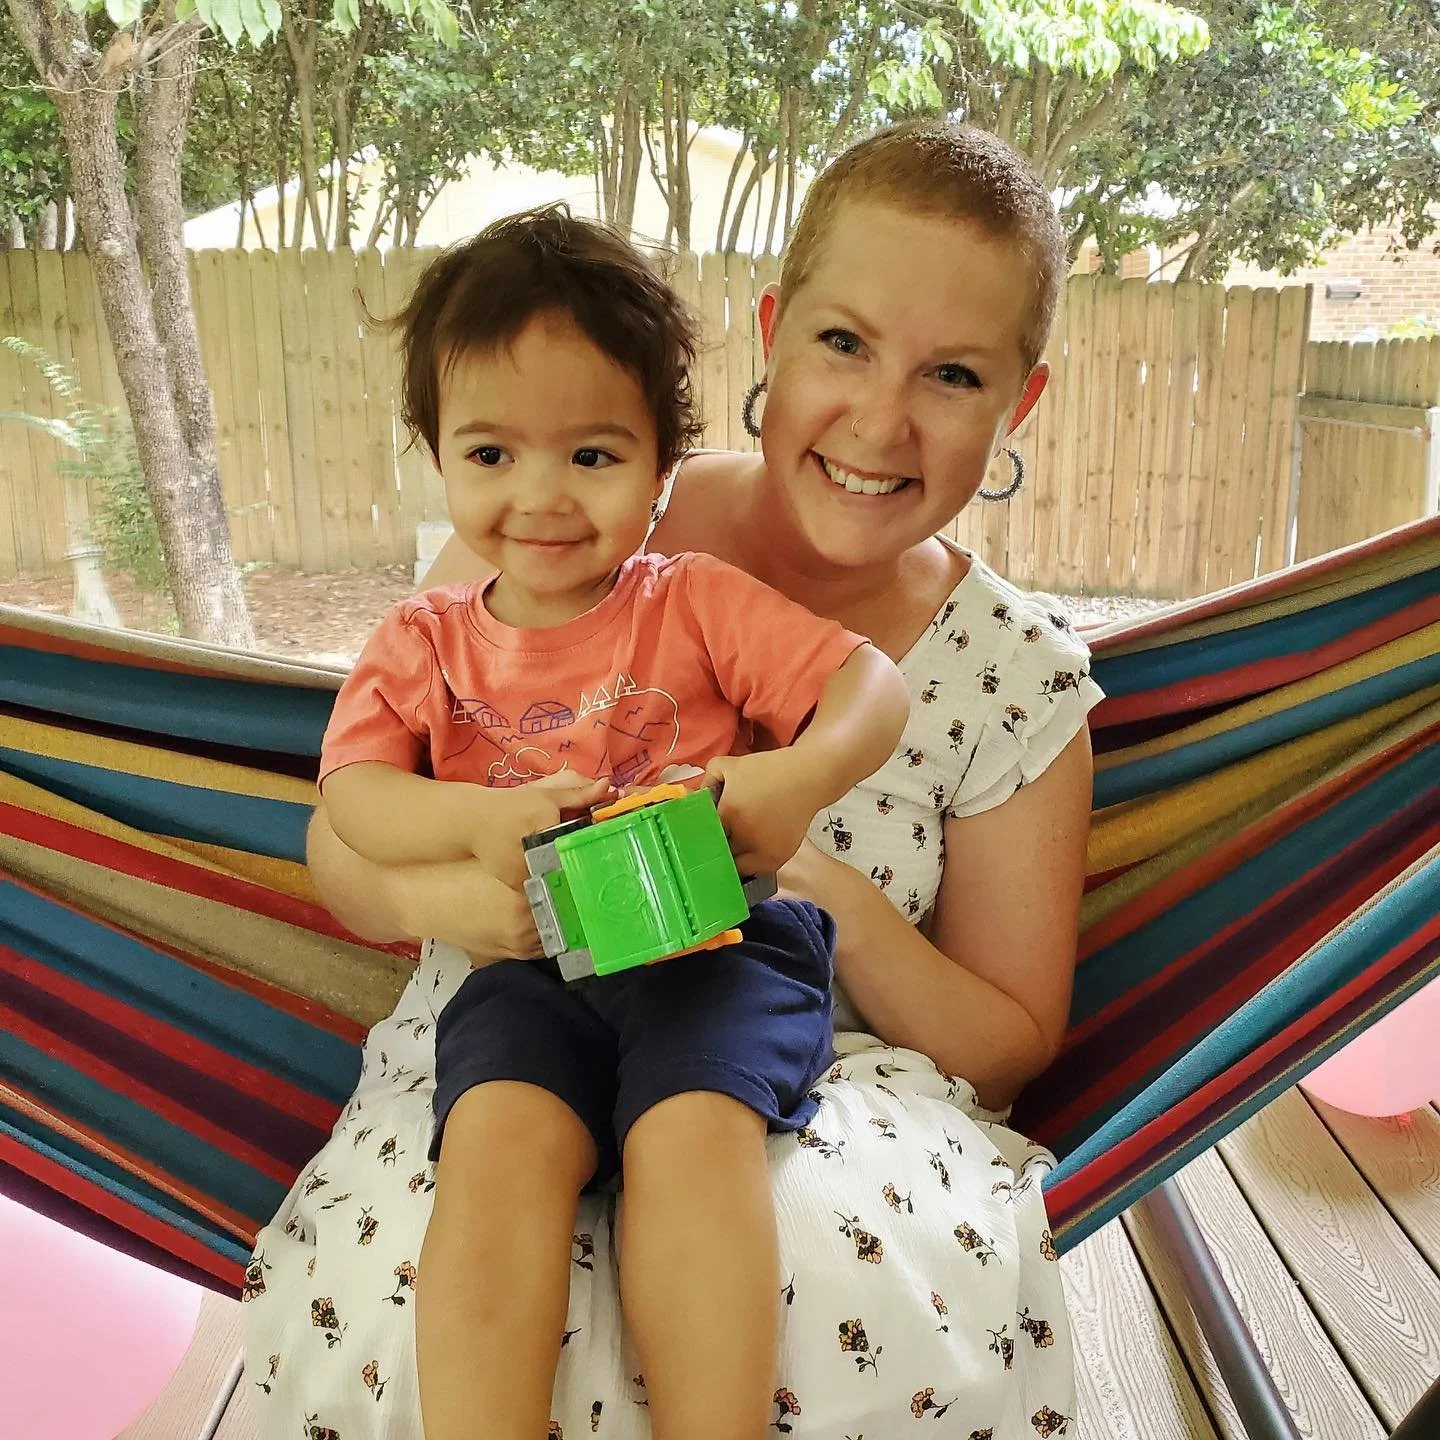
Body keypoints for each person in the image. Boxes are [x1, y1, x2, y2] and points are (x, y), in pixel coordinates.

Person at [244, 118, 1101, 1440]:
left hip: (788, 1045)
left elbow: (1009, 1050)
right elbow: (348, 837)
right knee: (419, 1264)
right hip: (513, 1005)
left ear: (1017, 403)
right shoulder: (567, 514)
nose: (880, 416)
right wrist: (472, 900)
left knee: (827, 1276)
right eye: (843, 343)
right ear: (773, 329)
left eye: (952, 373)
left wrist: (803, 862)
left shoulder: (1006, 677)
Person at [316, 206, 908, 1440]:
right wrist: (473, 821)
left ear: (661, 464)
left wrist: (794, 781)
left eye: (592, 455)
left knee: (692, 1137)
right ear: (434, 453)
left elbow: (871, 687)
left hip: (716, 954)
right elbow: (355, 801)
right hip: (533, 973)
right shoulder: (423, 640)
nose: (540, 496)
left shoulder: (691, 601)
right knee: (494, 1147)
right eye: (489, 455)